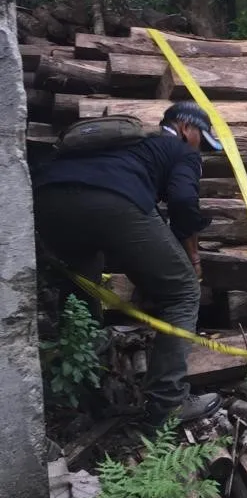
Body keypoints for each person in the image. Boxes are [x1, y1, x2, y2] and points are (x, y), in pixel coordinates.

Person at [34, 101, 224, 426]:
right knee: (182, 293)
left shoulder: (128, 147)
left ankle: (85, 397)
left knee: (80, 290)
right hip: (113, 201)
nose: (201, 151)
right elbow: (182, 201)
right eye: (202, 142)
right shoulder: (180, 150)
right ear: (185, 128)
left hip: (48, 199)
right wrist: (192, 257)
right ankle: (167, 405)